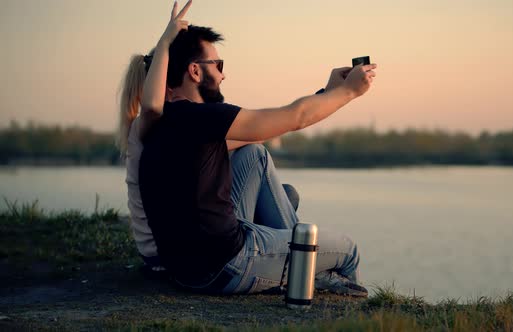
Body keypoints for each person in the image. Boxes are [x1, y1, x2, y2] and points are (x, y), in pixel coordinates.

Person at [139, 0, 376, 295]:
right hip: (227, 264)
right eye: (218, 65)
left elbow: (259, 135)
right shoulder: (203, 119)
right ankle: (326, 292)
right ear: (195, 72)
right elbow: (295, 117)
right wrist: (348, 92)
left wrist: (327, 92)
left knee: (254, 155)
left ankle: (301, 265)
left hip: (187, 270)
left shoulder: (162, 123)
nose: (224, 75)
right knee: (349, 249)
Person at [118, 52, 301, 272]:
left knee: (286, 193)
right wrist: (281, 121)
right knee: (255, 154)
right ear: (167, 87)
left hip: (161, 251)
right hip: (170, 252)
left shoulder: (155, 126)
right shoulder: (165, 125)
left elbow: (238, 140)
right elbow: (249, 139)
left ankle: (283, 257)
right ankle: (298, 261)